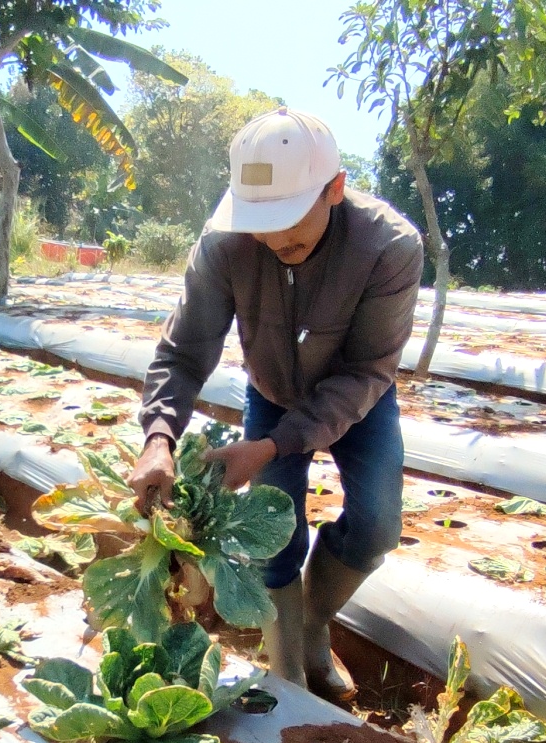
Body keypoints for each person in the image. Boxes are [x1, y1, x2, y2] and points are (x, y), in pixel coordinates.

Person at [128, 106, 424, 702]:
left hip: (358, 398)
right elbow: (184, 352)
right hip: (272, 392)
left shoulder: (389, 247)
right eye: (259, 223)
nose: (272, 239)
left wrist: (270, 447)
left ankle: (312, 624)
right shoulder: (224, 245)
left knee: (377, 525)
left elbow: (367, 369)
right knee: (273, 535)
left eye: (287, 221)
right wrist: (158, 438)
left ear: (334, 189)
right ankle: (289, 673)